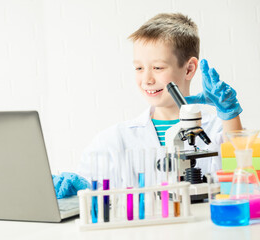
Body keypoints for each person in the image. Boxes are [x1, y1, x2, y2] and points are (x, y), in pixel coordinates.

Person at [53, 13, 243, 198]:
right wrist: (79, 189)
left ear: (189, 68)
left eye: (158, 68)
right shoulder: (113, 141)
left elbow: (242, 178)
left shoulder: (219, 130)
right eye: (139, 68)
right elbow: (90, 191)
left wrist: (230, 115)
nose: (147, 79)